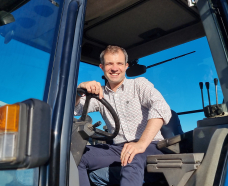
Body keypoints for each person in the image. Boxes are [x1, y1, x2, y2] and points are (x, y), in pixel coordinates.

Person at [74, 45, 172, 186]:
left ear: (126, 66)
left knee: (132, 156)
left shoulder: (139, 84)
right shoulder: (99, 95)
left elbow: (161, 107)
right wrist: (79, 91)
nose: (115, 68)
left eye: (119, 63)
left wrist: (140, 144)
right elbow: (74, 109)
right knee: (78, 157)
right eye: (109, 64)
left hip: (151, 145)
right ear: (102, 67)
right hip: (118, 148)